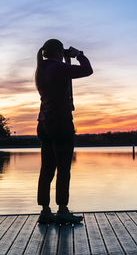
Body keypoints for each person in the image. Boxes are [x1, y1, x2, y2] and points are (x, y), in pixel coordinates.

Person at [34, 39, 93, 224]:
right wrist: (79, 55)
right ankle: (62, 210)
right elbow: (87, 70)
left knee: (47, 169)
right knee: (63, 169)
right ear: (59, 51)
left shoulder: (42, 68)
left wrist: (65, 59)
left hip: (44, 123)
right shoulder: (57, 68)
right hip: (60, 123)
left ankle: (45, 211)